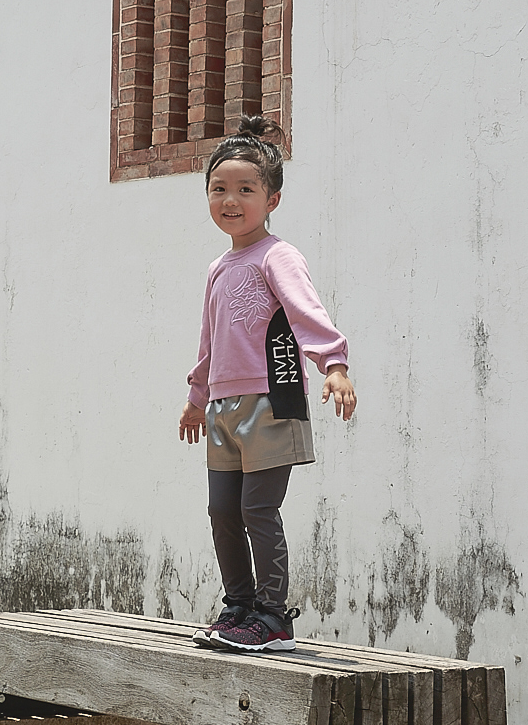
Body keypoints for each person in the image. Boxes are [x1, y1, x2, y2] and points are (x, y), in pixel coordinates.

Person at [179, 115, 356, 653]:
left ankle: (273, 617)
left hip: (270, 403)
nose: (230, 200)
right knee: (222, 510)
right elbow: (209, 341)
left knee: (258, 510)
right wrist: (195, 398)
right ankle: (238, 607)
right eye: (219, 189)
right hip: (222, 409)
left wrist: (334, 365)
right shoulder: (217, 267)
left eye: (245, 190)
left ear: (271, 199)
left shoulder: (279, 256)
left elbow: (306, 314)